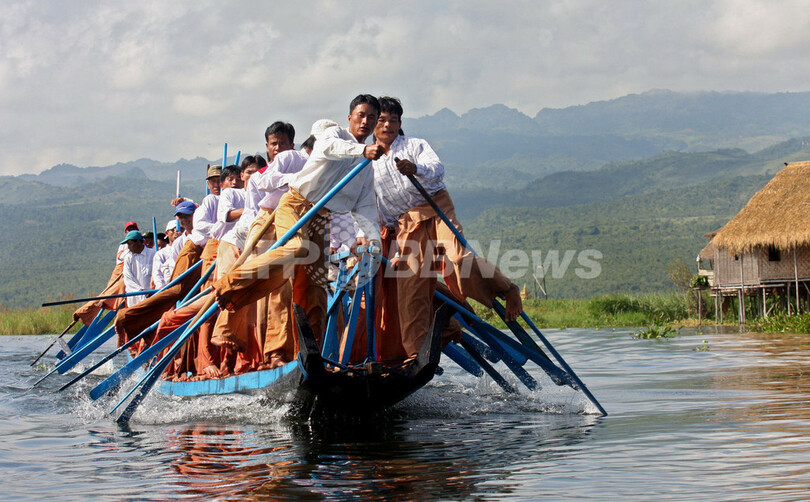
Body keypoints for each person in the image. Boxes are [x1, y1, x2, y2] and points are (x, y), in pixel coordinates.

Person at [213, 95, 385, 362]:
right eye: (361, 115)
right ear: (349, 117)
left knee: (314, 288)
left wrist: (365, 237)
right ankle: (231, 284)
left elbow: (365, 206)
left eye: (371, 117)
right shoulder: (334, 135)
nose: (365, 121)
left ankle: (312, 352)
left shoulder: (367, 166)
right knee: (296, 249)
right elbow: (330, 148)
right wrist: (362, 151)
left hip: (321, 218)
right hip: (296, 204)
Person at [371, 96, 522, 359]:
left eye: (393, 121)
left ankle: (508, 289)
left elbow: (437, 169)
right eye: (382, 120)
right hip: (406, 224)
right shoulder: (366, 162)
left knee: (458, 260)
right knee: (410, 293)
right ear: (373, 123)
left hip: (435, 205)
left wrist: (414, 168)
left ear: (399, 124)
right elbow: (379, 210)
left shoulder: (414, 145)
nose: (387, 126)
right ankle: (415, 355)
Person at [120, 230, 156, 307]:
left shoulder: (153, 254)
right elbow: (128, 278)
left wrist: (150, 291)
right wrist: (140, 291)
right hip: (134, 299)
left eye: (130, 244)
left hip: (152, 297)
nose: (128, 247)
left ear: (138, 242)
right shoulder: (128, 258)